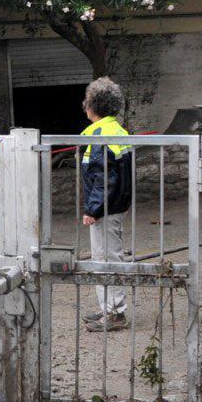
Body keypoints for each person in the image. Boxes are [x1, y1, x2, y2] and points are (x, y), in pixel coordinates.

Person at [80, 77, 132, 332]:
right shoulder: (116, 130)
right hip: (115, 206)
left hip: (106, 208)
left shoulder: (102, 134)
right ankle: (109, 309)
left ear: (92, 106)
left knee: (105, 257)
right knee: (108, 255)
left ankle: (114, 312)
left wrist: (93, 209)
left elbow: (103, 177)